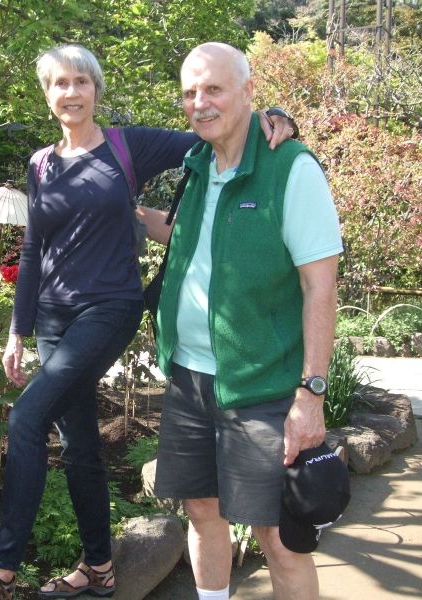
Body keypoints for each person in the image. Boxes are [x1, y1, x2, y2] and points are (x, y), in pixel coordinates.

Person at [0, 44, 296, 600]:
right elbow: (34, 248)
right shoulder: (40, 163)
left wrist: (272, 117)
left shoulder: (125, 145)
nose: (71, 92)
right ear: (47, 93)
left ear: (96, 89)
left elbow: (215, 131)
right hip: (55, 319)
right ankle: (101, 568)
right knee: (80, 444)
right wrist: (19, 329)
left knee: (27, 418)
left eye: (81, 81)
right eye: (59, 83)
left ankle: (1, 567)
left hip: (109, 307)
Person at [145, 42, 342, 600]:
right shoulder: (197, 163)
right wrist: (123, 215)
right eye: (189, 93)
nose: (200, 103)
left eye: (213, 89)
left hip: (265, 388)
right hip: (188, 378)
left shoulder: (290, 167)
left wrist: (312, 393)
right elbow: (189, 236)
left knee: (281, 539)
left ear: (249, 92)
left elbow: (319, 284)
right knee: (202, 510)